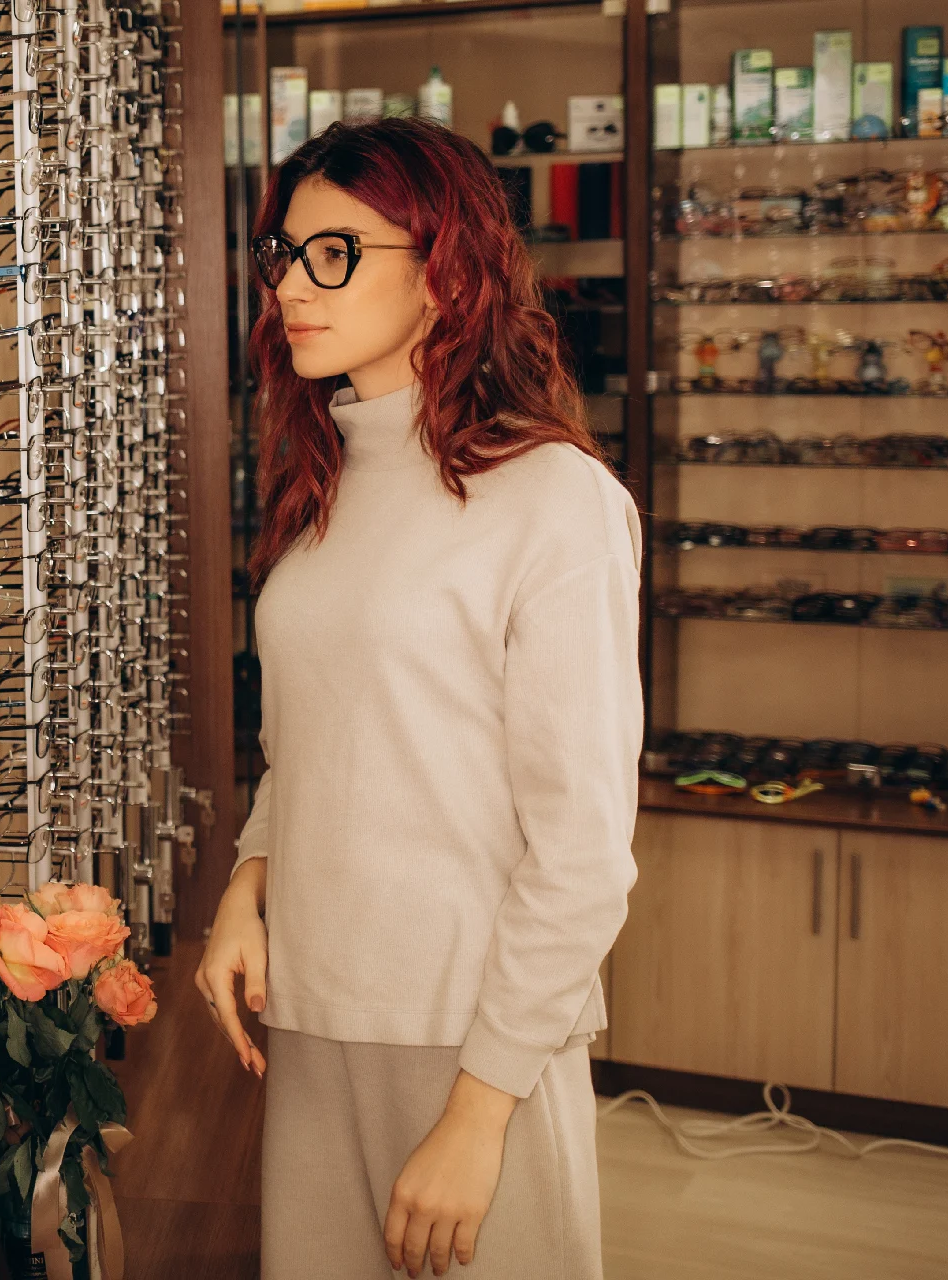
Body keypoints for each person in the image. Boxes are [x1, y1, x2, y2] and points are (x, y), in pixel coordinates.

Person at [195, 117, 643, 1279]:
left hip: (475, 1037)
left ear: (447, 267)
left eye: (335, 252)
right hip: (312, 1017)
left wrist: (480, 1109)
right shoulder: (326, 486)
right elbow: (313, 749)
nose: (293, 284)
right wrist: (251, 878)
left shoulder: (556, 502)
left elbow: (582, 849)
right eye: (284, 255)